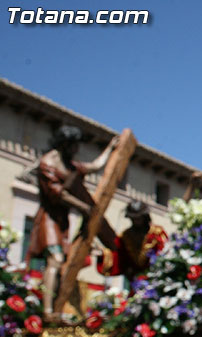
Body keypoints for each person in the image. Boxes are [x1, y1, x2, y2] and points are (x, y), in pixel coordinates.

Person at [25, 125, 118, 317]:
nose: (77, 149)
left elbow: (94, 166)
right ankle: (48, 311)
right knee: (56, 260)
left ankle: (53, 306)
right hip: (49, 218)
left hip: (62, 221)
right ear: (65, 143)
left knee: (60, 263)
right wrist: (83, 207)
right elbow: (57, 194)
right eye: (75, 145)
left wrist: (110, 148)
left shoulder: (69, 165)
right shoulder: (48, 162)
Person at [96, 200, 166, 283]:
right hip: (136, 282)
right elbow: (119, 257)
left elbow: (165, 253)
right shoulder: (126, 236)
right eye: (133, 218)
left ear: (145, 217)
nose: (136, 221)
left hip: (157, 279)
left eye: (138, 218)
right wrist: (102, 254)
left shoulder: (157, 233)